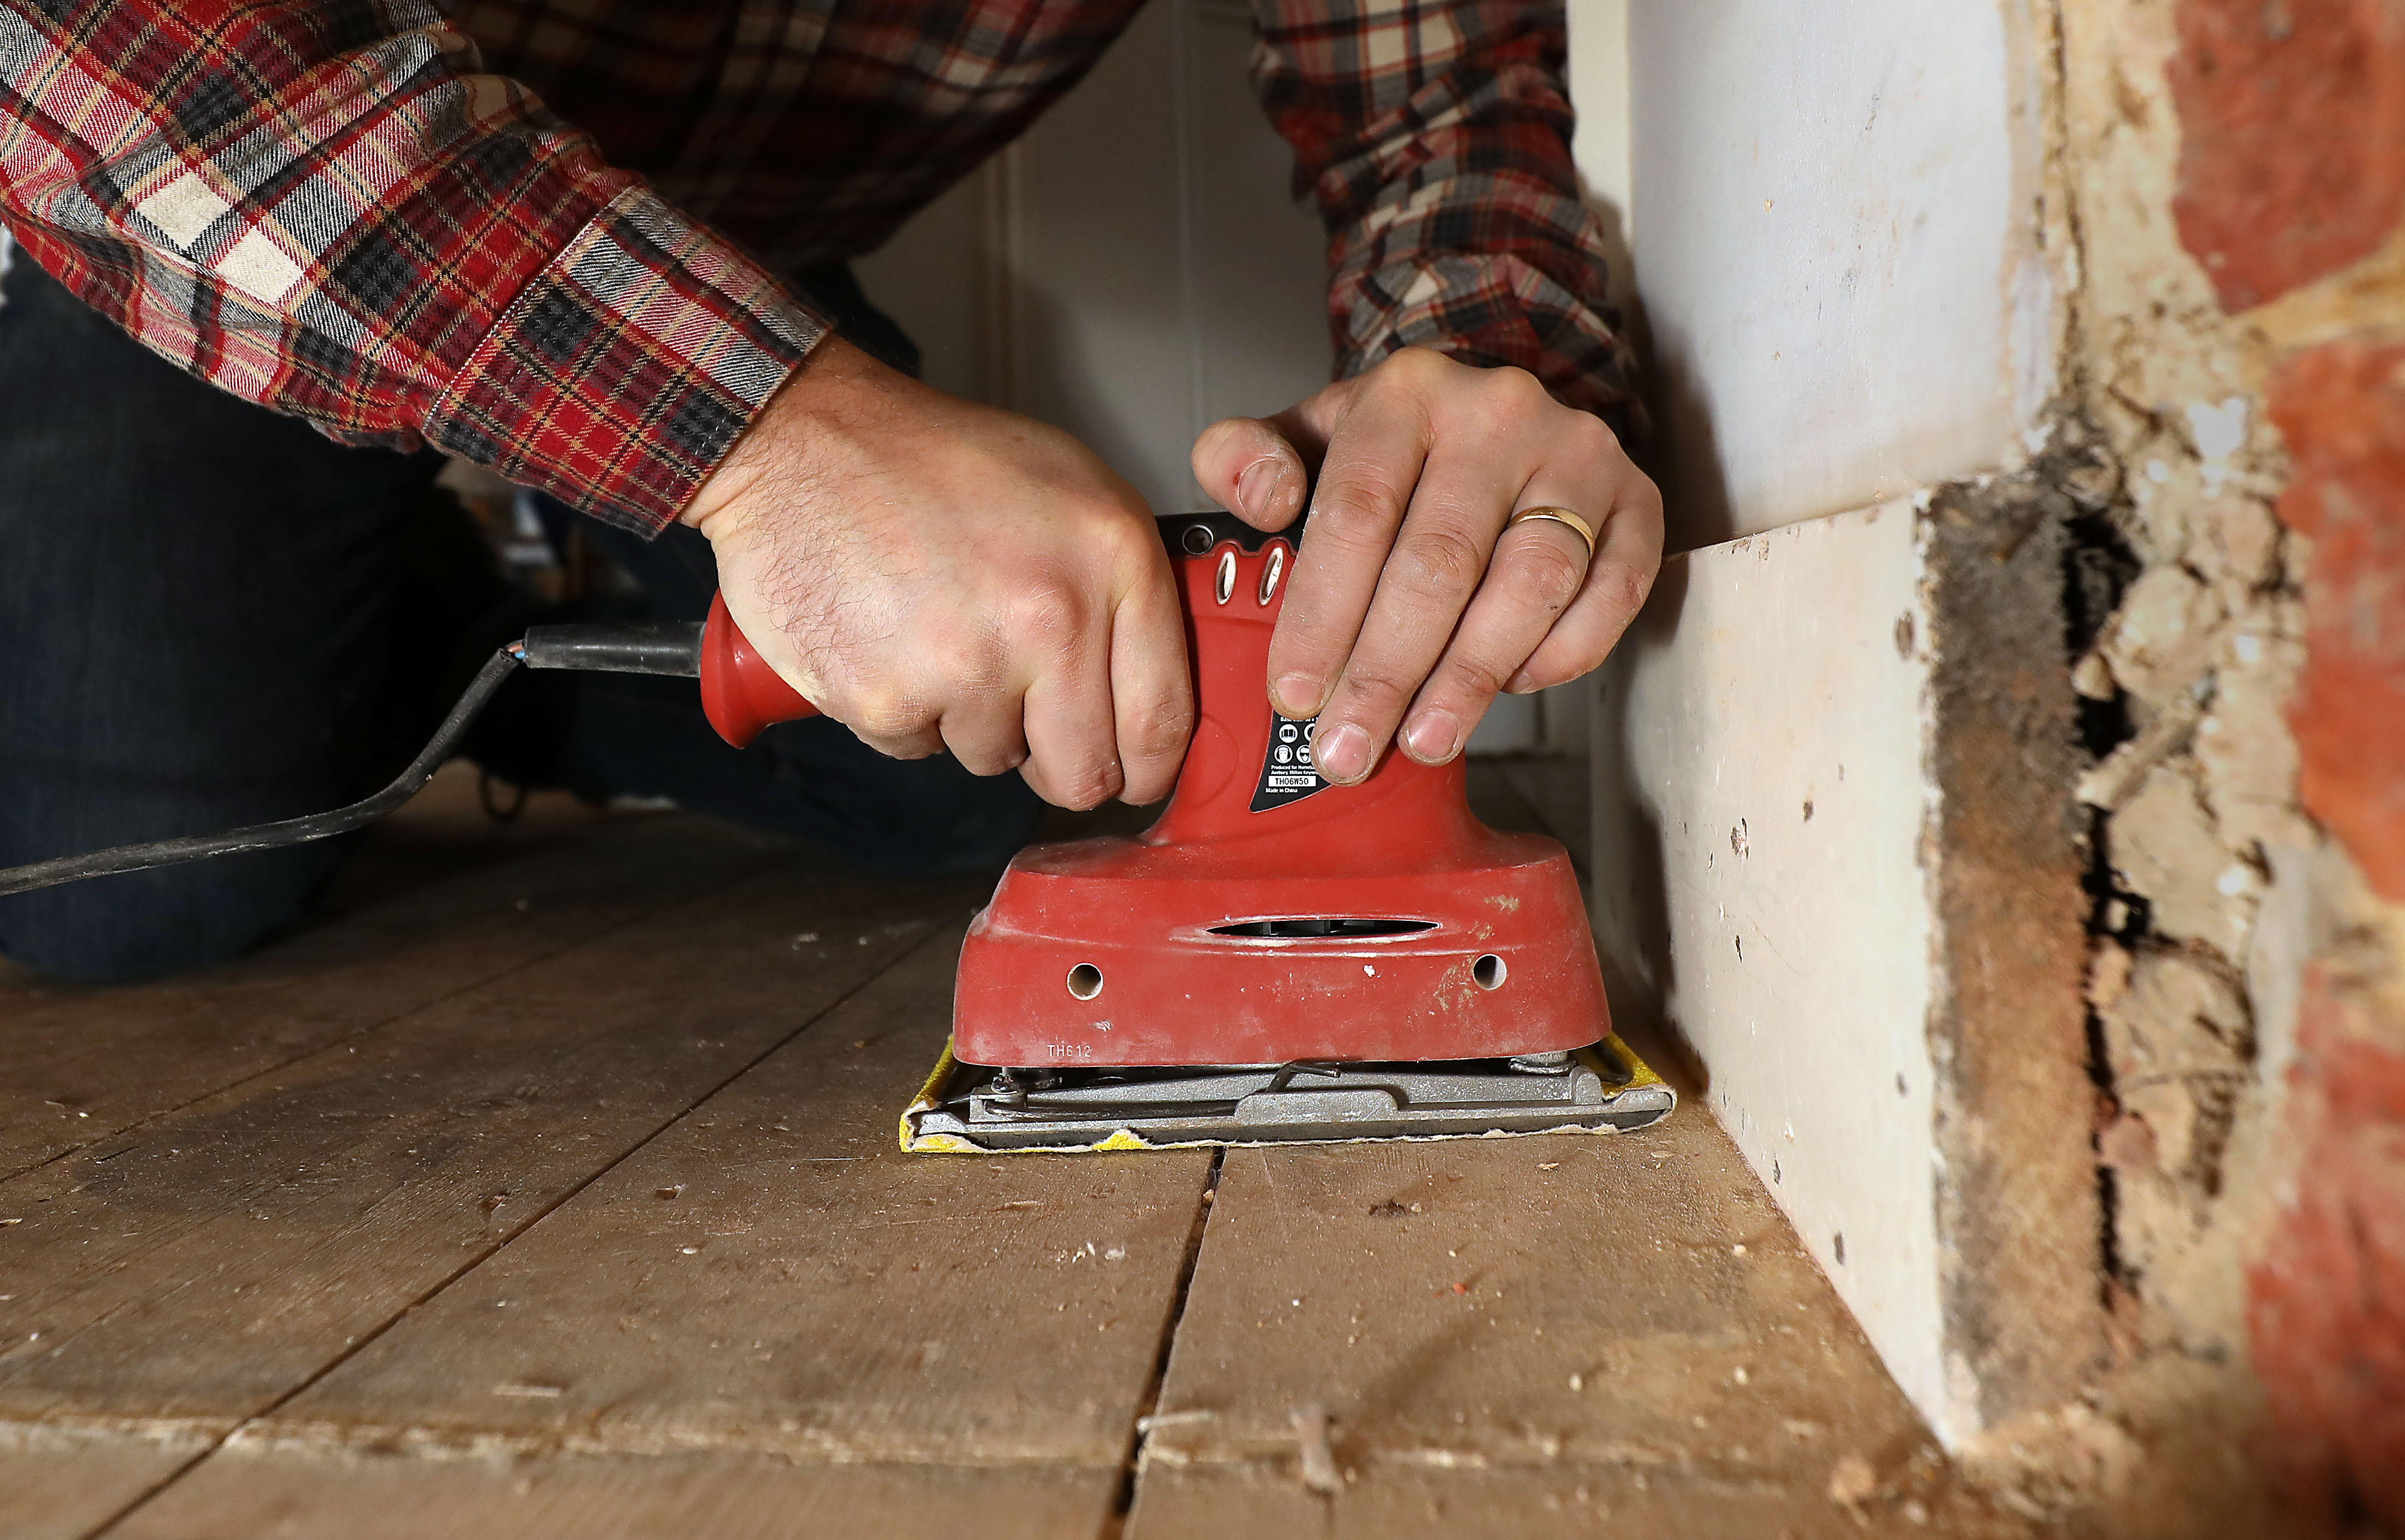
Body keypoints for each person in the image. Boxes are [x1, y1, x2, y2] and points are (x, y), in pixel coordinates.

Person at [0, 0, 1662, 983]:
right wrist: (767, 438)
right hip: (230, 238)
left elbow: (1441, 113)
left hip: (729, 266)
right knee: (150, 886)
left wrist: (1469, 390)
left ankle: (469, 652)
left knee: (948, 790)